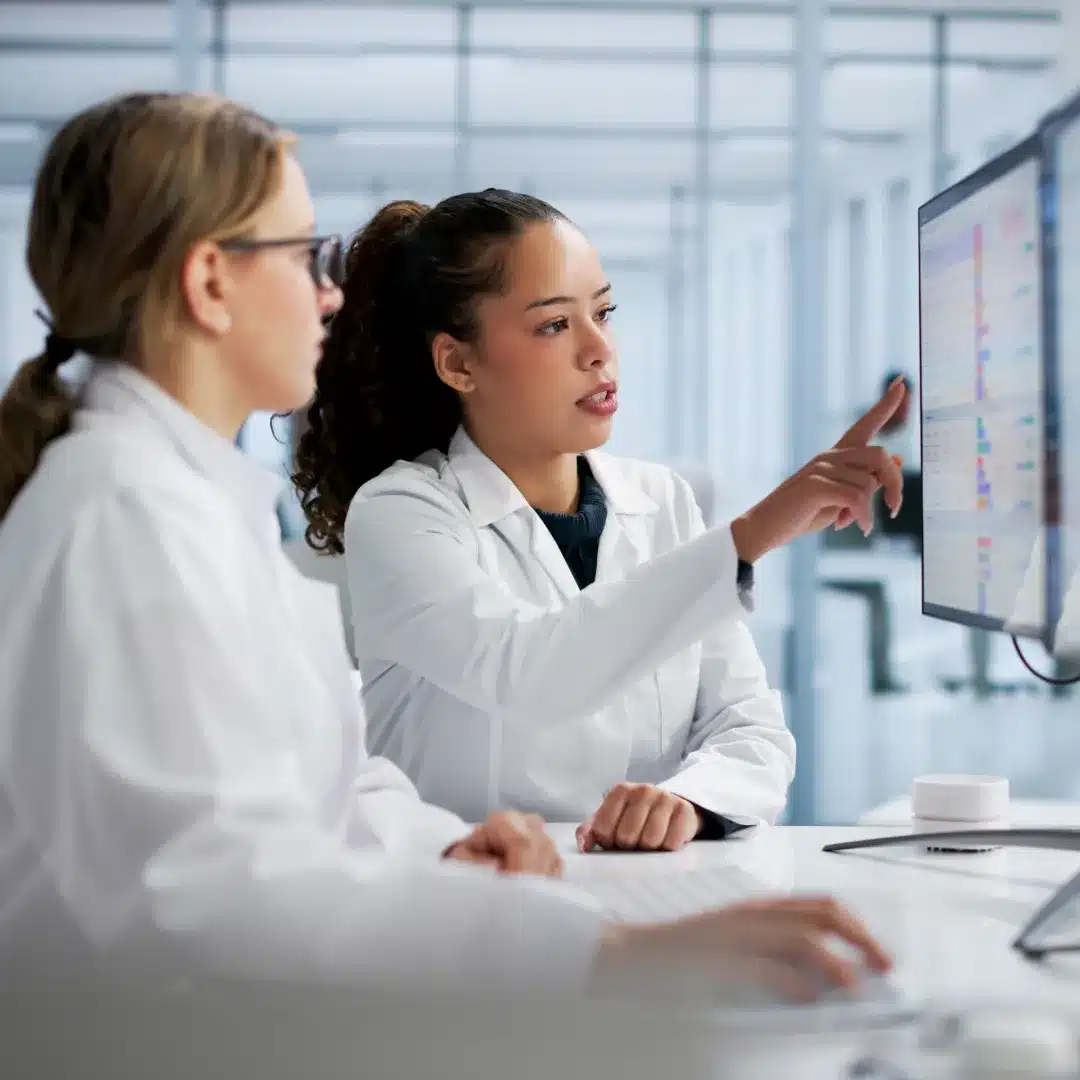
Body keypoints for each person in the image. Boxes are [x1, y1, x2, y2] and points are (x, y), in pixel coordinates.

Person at [0, 92, 892, 1001]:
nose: (329, 292)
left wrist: (435, 846)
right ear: (210, 282)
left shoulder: (184, 506)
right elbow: (215, 890)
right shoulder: (126, 518)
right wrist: (603, 957)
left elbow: (322, 785)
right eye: (302, 256)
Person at [293, 191, 906, 851]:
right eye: (554, 325)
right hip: (468, 915)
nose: (598, 350)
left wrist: (687, 802)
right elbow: (530, 670)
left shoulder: (661, 499)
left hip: (653, 901)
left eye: (603, 312)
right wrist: (754, 534)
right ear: (458, 362)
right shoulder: (401, 512)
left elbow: (750, 729)